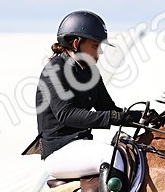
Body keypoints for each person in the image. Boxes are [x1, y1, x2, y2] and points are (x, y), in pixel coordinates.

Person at [32, 10, 141, 179]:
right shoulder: (54, 70)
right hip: (58, 151)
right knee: (111, 156)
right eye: (95, 46)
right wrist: (113, 117)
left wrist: (141, 118)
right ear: (76, 43)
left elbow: (108, 109)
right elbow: (66, 114)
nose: (100, 52)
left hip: (81, 145)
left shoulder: (91, 72)